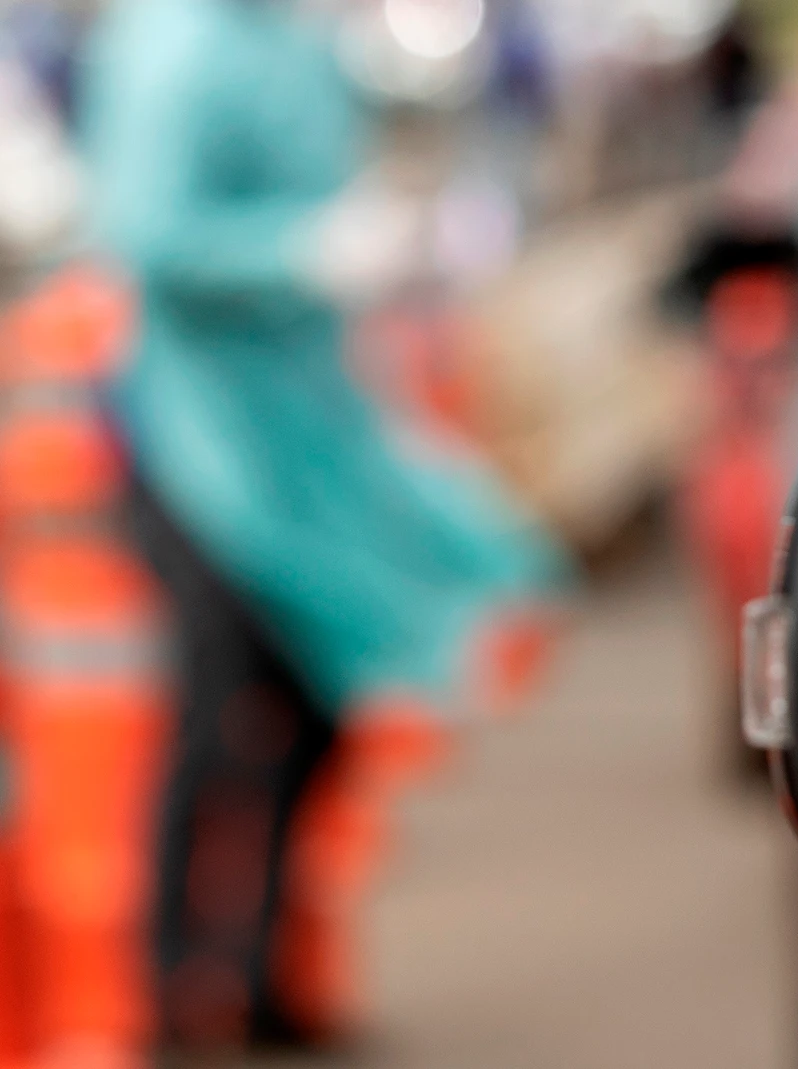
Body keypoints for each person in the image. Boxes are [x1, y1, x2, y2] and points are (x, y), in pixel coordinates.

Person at [77, 0, 563, 1045]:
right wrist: (303, 251)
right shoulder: (174, 44)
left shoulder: (297, 42)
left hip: (303, 434)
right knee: (214, 717)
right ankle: (167, 994)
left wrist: (374, 245)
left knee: (315, 707)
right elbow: (147, 237)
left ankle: (260, 973)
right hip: (189, 442)